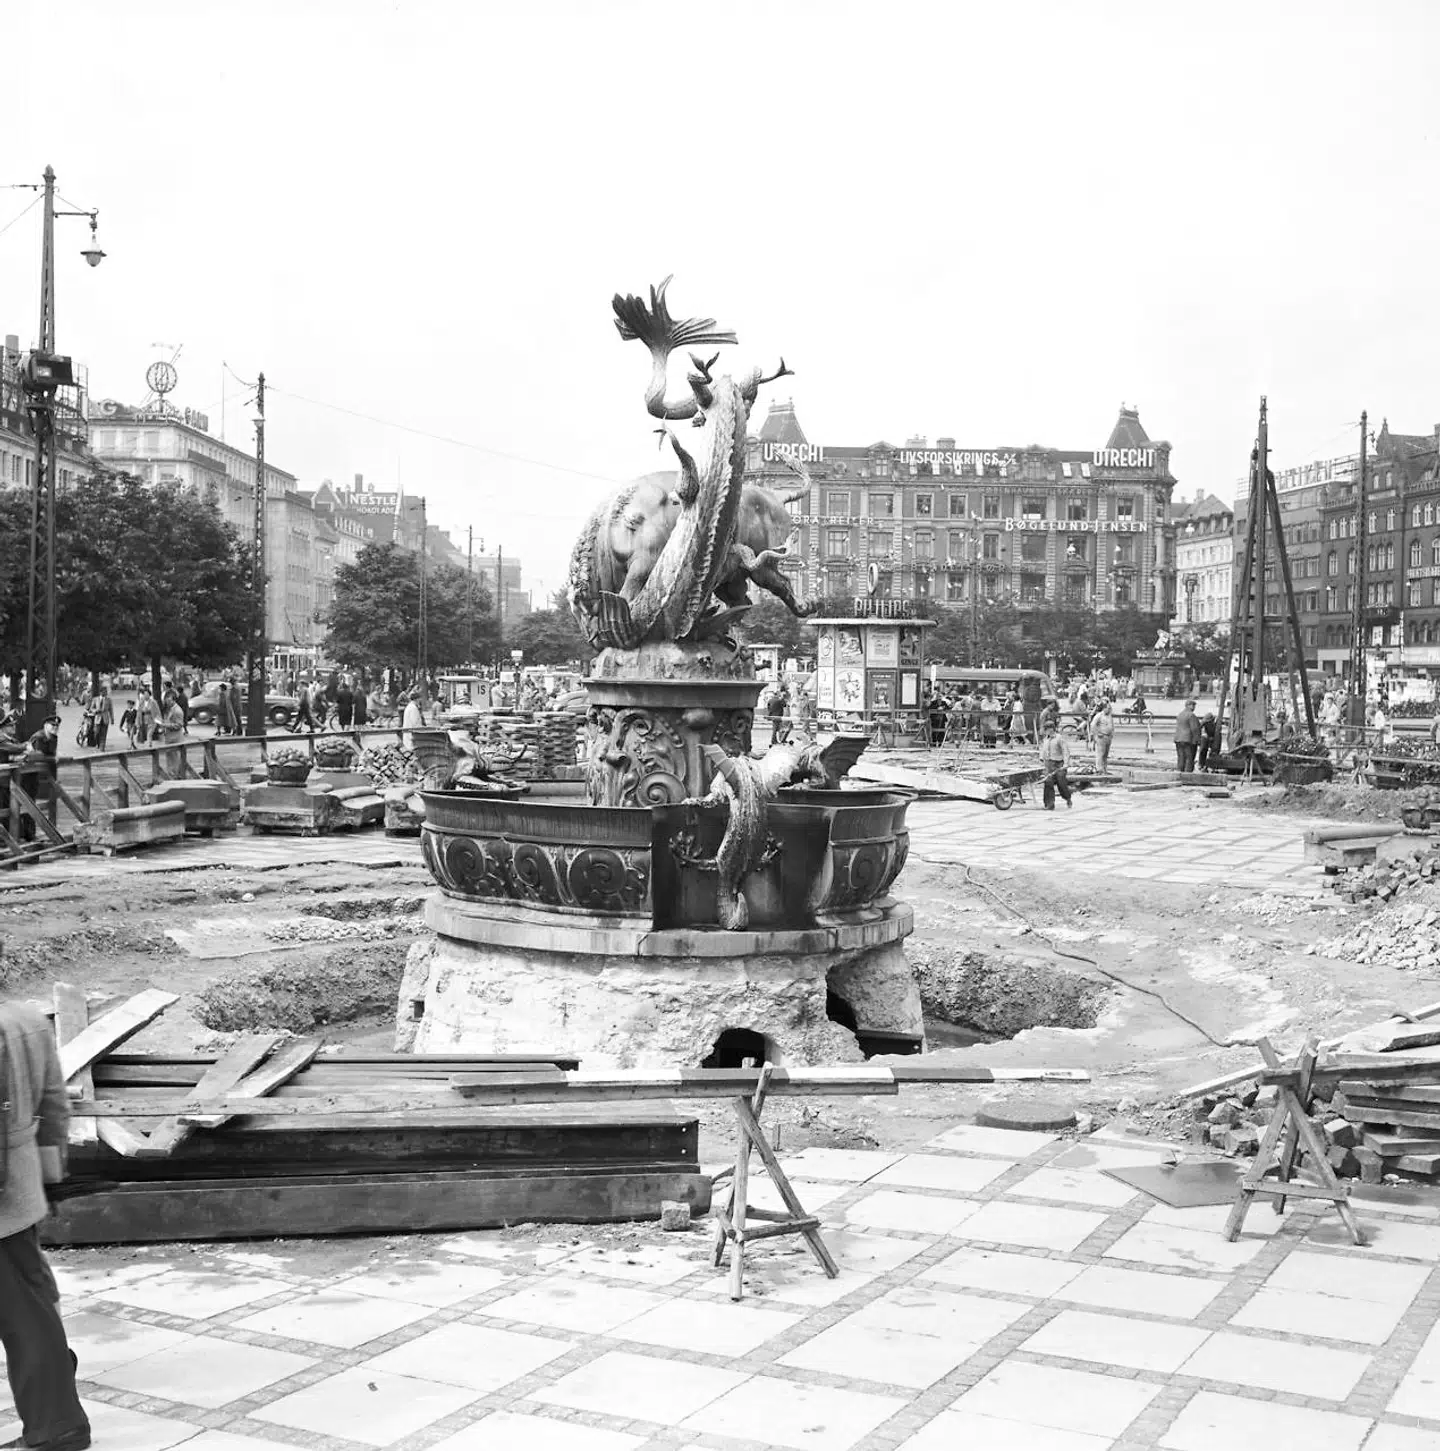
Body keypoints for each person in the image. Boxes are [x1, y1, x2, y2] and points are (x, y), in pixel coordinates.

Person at [0, 998, 91, 1451]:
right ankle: (55, 1397)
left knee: (24, 1313)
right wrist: (48, 1180)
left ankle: (57, 1424)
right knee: (31, 1300)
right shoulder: (27, 1021)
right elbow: (53, 1107)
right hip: (18, 1190)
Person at [1039, 721, 1074, 809]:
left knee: (1061, 783)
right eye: (1045, 729)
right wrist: (1042, 758)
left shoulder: (1059, 738)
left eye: (1048, 729)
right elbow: (1043, 750)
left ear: (1052, 729)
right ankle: (1049, 804)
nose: (1046, 731)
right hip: (1049, 763)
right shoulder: (1046, 739)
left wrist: (1066, 763)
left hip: (1059, 764)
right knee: (1048, 782)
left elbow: (1065, 751)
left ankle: (1068, 798)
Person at [1173, 698, 1201, 772]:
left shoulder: (1180, 714)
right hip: (1188, 740)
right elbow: (1194, 729)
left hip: (1178, 739)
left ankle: (1180, 771)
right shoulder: (1191, 715)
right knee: (1189, 758)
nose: (1194, 707)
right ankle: (1187, 773)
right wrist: (1198, 740)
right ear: (1189, 706)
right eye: (1193, 705)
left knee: (1181, 757)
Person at [1089, 700, 1115, 774]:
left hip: (1108, 737)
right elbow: (1092, 725)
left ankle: (1104, 769)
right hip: (1101, 737)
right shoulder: (1099, 715)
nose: (1109, 710)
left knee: (1105, 755)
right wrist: (1097, 733)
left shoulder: (1110, 716)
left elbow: (1112, 725)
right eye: (1108, 708)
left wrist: (1112, 734)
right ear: (1104, 708)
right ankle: (1099, 769)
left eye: (1110, 708)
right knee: (1100, 754)